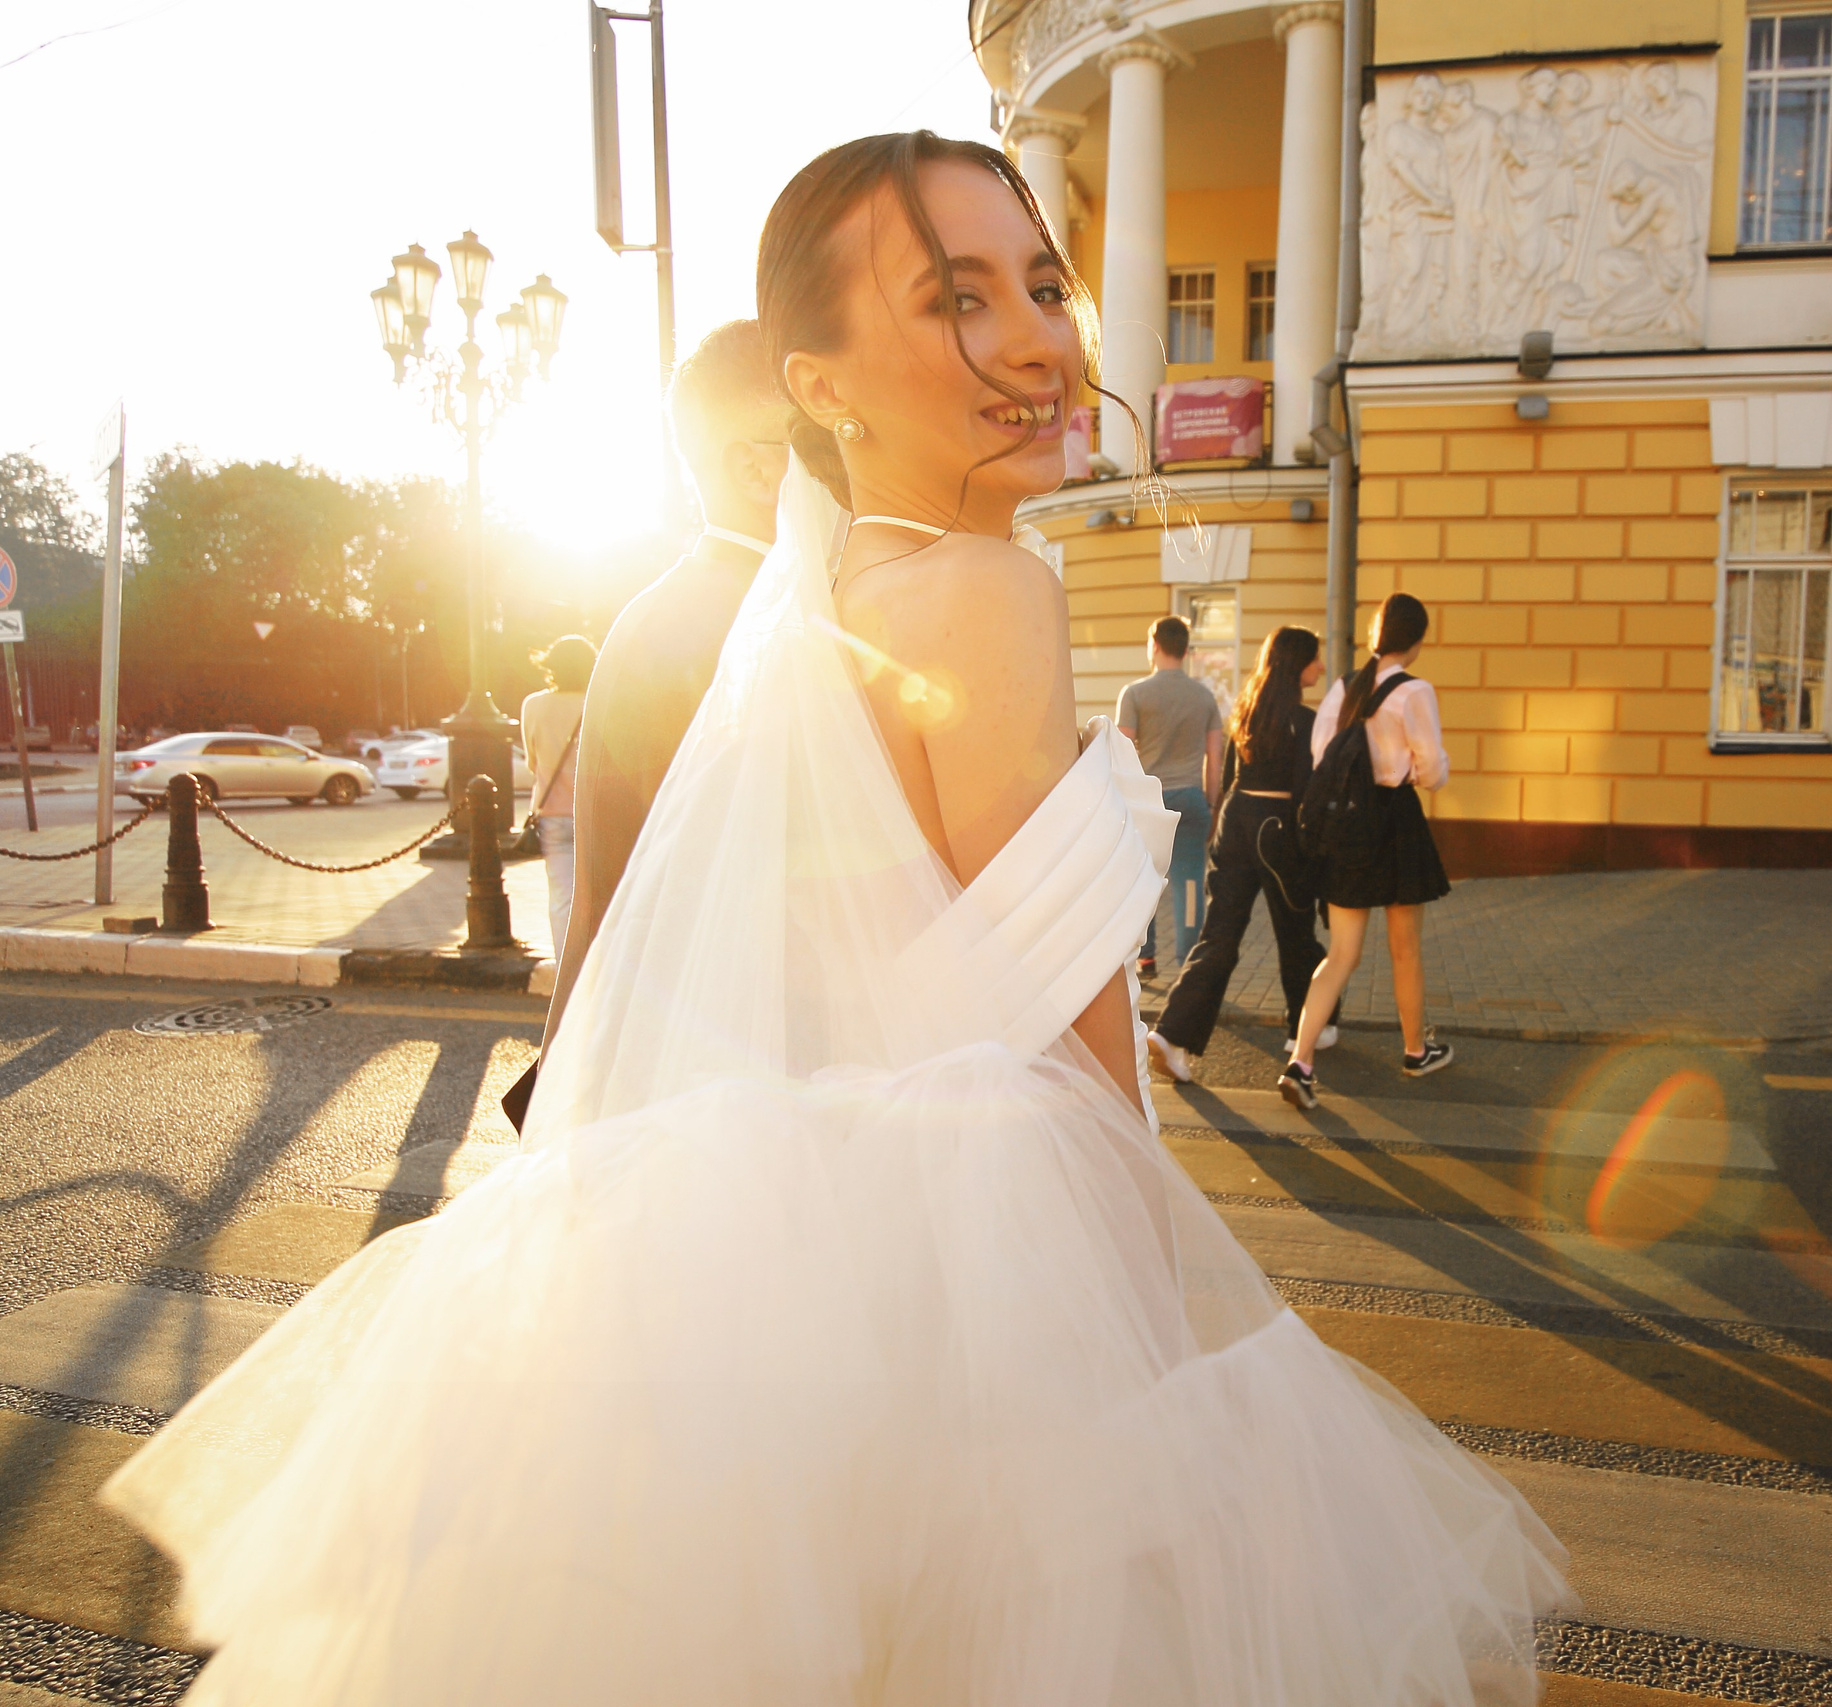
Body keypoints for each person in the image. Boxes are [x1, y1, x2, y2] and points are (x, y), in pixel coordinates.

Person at [105, 131, 1568, 1703]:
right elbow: (1063, 1010)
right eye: (954, 297)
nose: (1034, 339)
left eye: (1042, 283)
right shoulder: (989, 589)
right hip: (983, 1258)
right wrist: (1147, 1319)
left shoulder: (826, 599)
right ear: (822, 386)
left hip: (816, 1253)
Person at [535, 317, 795, 1058]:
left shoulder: (653, 615)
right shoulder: (755, 623)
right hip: (740, 1049)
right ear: (756, 468)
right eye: (834, 433)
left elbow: (595, 901)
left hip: (676, 1042)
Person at [1278, 593, 1454, 1109]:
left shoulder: (1342, 688)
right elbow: (1430, 771)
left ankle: (1301, 1061)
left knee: (1341, 955)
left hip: (1348, 828)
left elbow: (1321, 755)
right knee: (1405, 949)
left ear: (1377, 635)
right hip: (1395, 824)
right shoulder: (1415, 690)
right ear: (1417, 639)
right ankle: (1415, 1050)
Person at [1146, 624, 1330, 1083]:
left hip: (1235, 821)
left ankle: (1171, 1032)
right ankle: (1305, 1026)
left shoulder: (1246, 712)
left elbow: (1228, 775)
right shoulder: (1306, 722)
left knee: (1220, 933)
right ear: (1297, 664)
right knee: (1295, 927)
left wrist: (1219, 821)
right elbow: (1309, 791)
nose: (1321, 667)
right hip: (1278, 826)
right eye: (1315, 659)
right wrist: (1315, 848)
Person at [1115, 615, 1220, 979]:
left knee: (1143, 881)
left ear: (1154, 646)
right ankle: (1190, 964)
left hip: (1149, 801)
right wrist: (1212, 803)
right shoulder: (1204, 696)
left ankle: (1146, 959)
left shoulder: (1135, 694)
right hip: (1191, 799)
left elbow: (1123, 751)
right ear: (1187, 650)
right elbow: (1215, 757)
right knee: (1190, 884)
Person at [519, 635, 594, 956]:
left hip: (553, 815)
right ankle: (595, 964)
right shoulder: (599, 704)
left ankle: (567, 970)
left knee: (562, 897)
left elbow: (531, 762)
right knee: (599, 894)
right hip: (594, 814)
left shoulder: (533, 705)